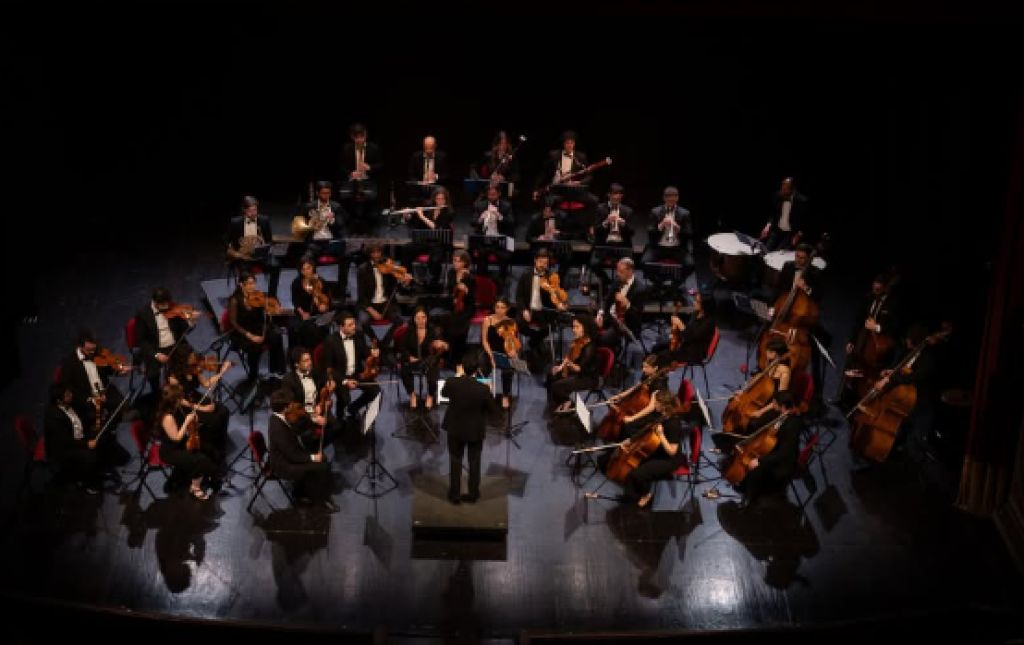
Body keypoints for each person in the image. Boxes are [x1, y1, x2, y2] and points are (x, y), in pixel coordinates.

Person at [441, 350, 499, 504]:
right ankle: (473, 494)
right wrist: (489, 394)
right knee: (474, 462)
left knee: (455, 460)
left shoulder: (452, 382)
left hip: (455, 428)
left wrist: (458, 376)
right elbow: (494, 411)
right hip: (475, 430)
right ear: (477, 369)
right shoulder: (483, 389)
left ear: (462, 367)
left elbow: (444, 393)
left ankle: (455, 495)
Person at [614, 390, 688, 509]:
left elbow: (672, 451)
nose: (654, 404)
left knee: (638, 474)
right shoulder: (663, 415)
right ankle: (631, 496)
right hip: (658, 450)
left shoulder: (674, 424)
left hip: (669, 460)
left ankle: (646, 495)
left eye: (657, 403)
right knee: (632, 466)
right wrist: (631, 441)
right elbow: (647, 431)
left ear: (664, 405)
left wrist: (661, 435)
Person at [267, 388, 338, 512]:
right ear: (285, 408)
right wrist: (313, 457)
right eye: (290, 404)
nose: (293, 405)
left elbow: (297, 427)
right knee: (322, 466)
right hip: (283, 465)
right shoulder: (278, 429)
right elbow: (292, 455)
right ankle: (319, 501)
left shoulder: (279, 416)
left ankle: (301, 491)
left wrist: (313, 418)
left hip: (290, 454)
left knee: (322, 459)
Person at [733, 391, 804, 508]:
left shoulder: (792, 425)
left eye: (775, 403)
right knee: (753, 458)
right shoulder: (782, 414)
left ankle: (748, 498)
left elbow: (784, 453)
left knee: (756, 468)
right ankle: (743, 485)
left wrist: (760, 461)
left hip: (783, 462)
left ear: (783, 406)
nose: (772, 404)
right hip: (775, 450)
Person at [166, 347, 232, 464]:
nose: (194, 358)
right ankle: (210, 448)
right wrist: (202, 408)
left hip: (195, 397)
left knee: (224, 411)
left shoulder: (194, 368)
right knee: (214, 420)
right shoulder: (174, 377)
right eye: (191, 357)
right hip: (186, 405)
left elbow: (206, 384)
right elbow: (180, 400)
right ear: (183, 360)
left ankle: (221, 441)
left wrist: (222, 372)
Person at [154, 383, 218, 500]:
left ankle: (208, 473)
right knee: (200, 460)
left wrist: (195, 418)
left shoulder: (177, 405)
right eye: (180, 397)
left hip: (182, 443)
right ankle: (195, 488)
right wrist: (187, 422)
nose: (182, 399)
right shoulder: (167, 417)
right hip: (171, 451)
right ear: (173, 400)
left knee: (208, 447)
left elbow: (189, 410)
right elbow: (176, 437)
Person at [226, 271, 287, 380]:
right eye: (249, 284)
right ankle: (253, 375)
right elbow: (234, 323)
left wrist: (274, 308)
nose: (252, 286)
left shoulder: (258, 296)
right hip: (242, 332)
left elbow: (266, 311)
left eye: (254, 283)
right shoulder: (234, 300)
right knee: (254, 347)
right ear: (241, 284)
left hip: (258, 327)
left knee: (276, 336)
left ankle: (276, 369)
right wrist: (250, 335)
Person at [44, 382, 103, 494]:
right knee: (89, 456)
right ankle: (87, 483)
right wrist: (86, 444)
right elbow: (66, 441)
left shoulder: (71, 402)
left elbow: (80, 417)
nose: (71, 395)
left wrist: (92, 424)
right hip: (64, 449)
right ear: (59, 401)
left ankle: (98, 470)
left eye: (69, 392)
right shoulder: (53, 418)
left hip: (77, 437)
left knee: (100, 436)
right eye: (67, 394)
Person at [135, 287, 195, 396]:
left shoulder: (174, 308)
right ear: (155, 302)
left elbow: (184, 330)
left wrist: (190, 320)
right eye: (163, 304)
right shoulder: (143, 314)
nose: (166, 306)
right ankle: (158, 394)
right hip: (155, 348)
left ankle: (185, 391)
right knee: (153, 374)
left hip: (175, 344)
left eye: (168, 303)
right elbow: (141, 341)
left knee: (191, 361)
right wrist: (156, 355)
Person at [321, 312, 381, 420]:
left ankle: (353, 408)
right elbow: (329, 368)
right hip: (340, 376)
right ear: (341, 327)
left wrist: (372, 352)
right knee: (344, 399)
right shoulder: (330, 341)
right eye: (350, 325)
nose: (354, 327)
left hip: (357, 374)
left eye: (354, 323)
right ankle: (340, 417)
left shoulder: (358, 335)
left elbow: (364, 352)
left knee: (375, 391)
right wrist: (345, 381)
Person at [280, 346, 341, 450]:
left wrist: (330, 383)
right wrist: (313, 419)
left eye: (310, 359)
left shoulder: (314, 371)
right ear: (296, 364)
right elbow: (292, 409)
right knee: (309, 436)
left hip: (318, 408)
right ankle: (311, 452)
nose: (310, 363)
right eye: (305, 361)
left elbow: (326, 379)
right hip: (302, 416)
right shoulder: (288, 381)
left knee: (337, 427)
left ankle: (320, 446)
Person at [515, 249, 569, 362]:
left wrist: (559, 303)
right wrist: (524, 310)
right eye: (540, 262)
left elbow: (558, 294)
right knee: (519, 324)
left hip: (544, 311)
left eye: (545, 263)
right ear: (535, 261)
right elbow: (519, 296)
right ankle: (536, 342)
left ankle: (532, 343)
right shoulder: (526, 275)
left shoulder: (552, 277)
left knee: (550, 326)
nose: (543, 265)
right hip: (529, 309)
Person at [356, 244, 410, 347]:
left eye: (378, 252)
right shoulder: (363, 269)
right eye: (373, 252)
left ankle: (384, 344)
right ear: (369, 254)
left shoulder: (388, 267)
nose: (376, 255)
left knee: (399, 321)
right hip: (368, 304)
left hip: (385, 303)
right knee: (363, 321)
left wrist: (404, 282)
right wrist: (372, 311)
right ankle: (375, 340)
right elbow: (361, 295)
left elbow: (396, 287)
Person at [584, 183, 635, 294]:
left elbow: (632, 233)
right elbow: (595, 231)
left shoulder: (627, 211)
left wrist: (623, 224)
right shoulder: (599, 209)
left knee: (628, 265)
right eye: (614, 194)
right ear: (609, 195)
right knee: (593, 263)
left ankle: (621, 286)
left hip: (622, 246)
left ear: (621, 196)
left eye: (618, 194)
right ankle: (607, 282)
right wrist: (606, 222)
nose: (616, 197)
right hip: (604, 245)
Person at [297, 180, 349, 287]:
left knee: (347, 257)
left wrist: (332, 220)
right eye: (323, 193)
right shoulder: (309, 207)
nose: (326, 195)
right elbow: (299, 224)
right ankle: (309, 286)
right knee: (304, 260)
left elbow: (341, 225)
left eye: (328, 193)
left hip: (331, 243)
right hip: (314, 244)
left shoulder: (336, 207)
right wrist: (311, 223)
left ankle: (341, 289)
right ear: (317, 193)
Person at [548, 313, 600, 414]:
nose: (573, 330)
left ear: (585, 328)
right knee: (551, 375)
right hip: (577, 372)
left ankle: (568, 403)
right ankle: (558, 403)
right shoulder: (578, 341)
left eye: (577, 327)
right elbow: (568, 357)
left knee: (557, 385)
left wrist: (570, 365)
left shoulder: (590, 347)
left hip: (587, 378)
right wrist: (560, 367)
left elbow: (580, 369)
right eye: (573, 327)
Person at [398, 307, 447, 411]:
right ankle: (412, 395)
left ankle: (430, 396)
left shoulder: (433, 331)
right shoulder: (409, 331)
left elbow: (443, 346)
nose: (421, 320)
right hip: (413, 360)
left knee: (433, 366)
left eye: (423, 317)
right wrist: (409, 357)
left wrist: (443, 345)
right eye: (418, 318)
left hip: (428, 361)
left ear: (427, 318)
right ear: (414, 319)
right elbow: (402, 348)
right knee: (404, 368)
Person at [403, 186, 454, 287]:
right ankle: (409, 278)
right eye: (438, 199)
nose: (440, 202)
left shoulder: (449, 212)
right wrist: (407, 215)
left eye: (442, 199)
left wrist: (422, 216)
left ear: (446, 200)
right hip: (426, 242)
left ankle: (433, 283)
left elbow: (437, 227)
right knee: (406, 249)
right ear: (434, 199)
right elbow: (416, 223)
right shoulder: (428, 209)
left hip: (440, 244)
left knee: (435, 259)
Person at [339, 123, 383, 234]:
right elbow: (341, 167)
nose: (359, 140)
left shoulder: (374, 148)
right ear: (352, 137)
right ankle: (350, 226)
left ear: (365, 135)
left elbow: (381, 165)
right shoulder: (346, 149)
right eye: (356, 137)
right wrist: (351, 173)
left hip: (368, 181)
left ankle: (370, 226)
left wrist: (370, 167)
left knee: (371, 201)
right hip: (352, 181)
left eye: (361, 137)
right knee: (346, 198)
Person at [651, 291, 715, 368]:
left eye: (697, 302)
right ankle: (654, 370)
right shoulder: (696, 313)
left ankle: (656, 373)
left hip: (694, 352)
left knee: (662, 357)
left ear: (705, 305)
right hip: (686, 345)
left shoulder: (709, 322)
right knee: (657, 347)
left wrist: (680, 324)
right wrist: (674, 334)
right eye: (695, 300)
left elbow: (690, 337)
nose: (694, 303)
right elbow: (688, 328)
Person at [594, 257, 646, 350]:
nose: (618, 274)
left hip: (625, 324)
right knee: (588, 331)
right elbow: (606, 300)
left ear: (630, 272)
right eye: (617, 271)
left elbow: (637, 316)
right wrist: (600, 313)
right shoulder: (617, 281)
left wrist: (627, 305)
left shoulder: (640, 289)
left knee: (602, 340)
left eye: (621, 272)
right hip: (610, 317)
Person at [436, 250, 475, 363]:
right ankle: (445, 354)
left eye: (459, 261)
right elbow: (449, 289)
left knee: (456, 322)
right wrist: (457, 284)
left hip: (467, 306)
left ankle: (456, 357)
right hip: (453, 304)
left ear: (465, 263)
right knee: (443, 320)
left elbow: (470, 297)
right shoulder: (451, 273)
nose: (456, 263)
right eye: (454, 260)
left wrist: (466, 290)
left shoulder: (470, 276)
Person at [470, 183, 515, 283]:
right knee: (481, 256)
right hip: (485, 241)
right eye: (489, 194)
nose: (491, 197)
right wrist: (481, 218)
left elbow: (512, 222)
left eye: (493, 194)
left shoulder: (506, 206)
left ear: (499, 194)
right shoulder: (479, 205)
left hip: (501, 242)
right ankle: (482, 281)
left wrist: (500, 216)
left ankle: (502, 281)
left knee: (504, 257)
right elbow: (473, 222)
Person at [479, 297, 518, 409]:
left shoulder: (511, 322)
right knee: (482, 365)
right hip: (489, 351)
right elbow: (484, 341)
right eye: (497, 307)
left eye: (502, 307)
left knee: (508, 370)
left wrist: (513, 351)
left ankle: (505, 395)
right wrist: (491, 356)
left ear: (507, 309)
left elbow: (514, 342)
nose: (499, 310)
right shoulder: (488, 320)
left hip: (504, 353)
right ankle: (483, 394)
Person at [289, 257, 332, 351]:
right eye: (303, 269)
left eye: (308, 268)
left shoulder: (321, 281)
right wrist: (303, 313)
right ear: (300, 271)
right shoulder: (296, 283)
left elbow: (327, 299)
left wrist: (324, 306)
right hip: (303, 313)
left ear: (313, 268)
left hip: (319, 314)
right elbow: (295, 302)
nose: (306, 271)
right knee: (307, 328)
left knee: (318, 327)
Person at [760, 177, 810, 252]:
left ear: (793, 189)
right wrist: (767, 227)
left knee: (778, 254)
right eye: (782, 187)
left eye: (786, 189)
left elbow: (805, 220)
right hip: (777, 229)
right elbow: (773, 213)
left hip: (790, 233)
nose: (782, 191)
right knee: (765, 250)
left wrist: (798, 235)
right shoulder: (777, 195)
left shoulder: (802, 201)